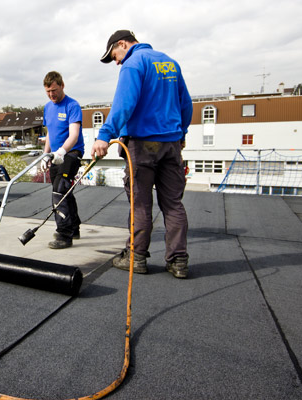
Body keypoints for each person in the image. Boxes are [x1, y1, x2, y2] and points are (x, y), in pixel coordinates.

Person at [91, 30, 193, 278]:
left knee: (141, 204)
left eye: (114, 55)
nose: (116, 62)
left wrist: (104, 135)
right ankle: (178, 261)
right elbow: (186, 104)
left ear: (123, 44)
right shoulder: (170, 63)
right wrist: (181, 134)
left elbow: (124, 104)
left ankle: (136, 258)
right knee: (173, 204)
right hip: (171, 144)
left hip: (142, 145)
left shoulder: (133, 64)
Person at [42, 71, 85, 249]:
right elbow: (50, 134)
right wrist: (46, 154)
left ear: (62, 85)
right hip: (56, 154)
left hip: (71, 153)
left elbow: (74, 135)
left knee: (60, 190)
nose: (52, 94)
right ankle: (74, 227)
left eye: (54, 90)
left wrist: (62, 151)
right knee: (64, 191)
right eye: (48, 92)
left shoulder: (72, 106)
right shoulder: (47, 107)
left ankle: (64, 234)